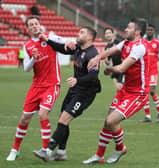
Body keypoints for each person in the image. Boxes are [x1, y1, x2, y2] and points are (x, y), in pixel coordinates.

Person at [6, 15, 74, 161]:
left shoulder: (50, 37)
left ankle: (45, 150)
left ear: (40, 25)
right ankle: (15, 149)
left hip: (51, 84)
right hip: (36, 86)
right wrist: (33, 59)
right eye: (31, 25)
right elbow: (26, 68)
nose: (34, 26)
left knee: (43, 114)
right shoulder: (28, 45)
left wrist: (68, 41)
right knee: (25, 118)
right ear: (28, 28)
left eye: (36, 23)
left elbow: (62, 40)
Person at [83, 18, 150, 164]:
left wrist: (109, 69)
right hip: (126, 90)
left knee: (111, 120)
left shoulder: (139, 47)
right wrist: (97, 57)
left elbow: (121, 68)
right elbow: (110, 51)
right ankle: (99, 156)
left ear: (137, 32)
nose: (125, 30)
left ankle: (120, 148)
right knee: (107, 122)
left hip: (138, 94)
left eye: (129, 28)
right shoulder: (125, 42)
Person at [32, 26, 101, 161]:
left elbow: (93, 76)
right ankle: (61, 152)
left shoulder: (93, 54)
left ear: (89, 37)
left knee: (64, 119)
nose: (78, 34)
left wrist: (77, 80)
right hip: (75, 89)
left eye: (82, 32)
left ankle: (47, 150)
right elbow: (61, 48)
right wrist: (47, 39)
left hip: (86, 92)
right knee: (62, 120)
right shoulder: (78, 48)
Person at [142, 24, 159, 123]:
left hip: (153, 71)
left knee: (151, 91)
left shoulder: (158, 42)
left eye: (151, 30)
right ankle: (148, 116)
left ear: (154, 31)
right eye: (148, 30)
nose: (149, 31)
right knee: (145, 92)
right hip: (143, 71)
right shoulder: (142, 42)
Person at [104, 27, 124, 92]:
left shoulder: (118, 42)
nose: (108, 35)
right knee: (118, 90)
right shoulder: (107, 47)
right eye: (106, 33)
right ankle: (122, 101)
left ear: (113, 34)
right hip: (115, 70)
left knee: (119, 88)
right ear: (104, 35)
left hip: (122, 68)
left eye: (109, 33)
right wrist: (106, 56)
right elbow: (107, 62)